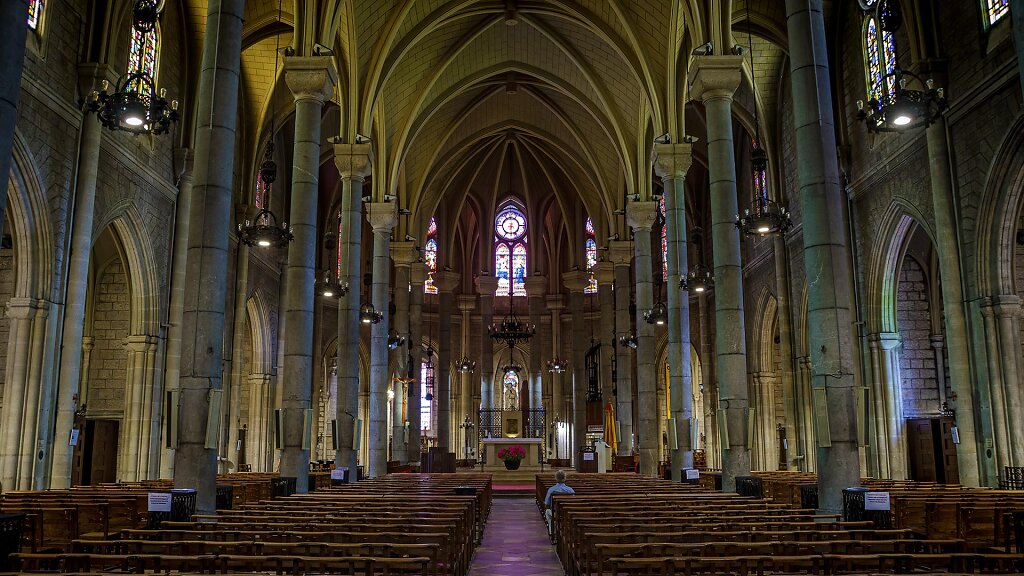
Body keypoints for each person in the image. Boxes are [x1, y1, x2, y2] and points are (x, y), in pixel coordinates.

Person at [543, 469, 574, 539]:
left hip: (555, 512)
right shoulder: (570, 490)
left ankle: (552, 533)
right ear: (565, 478)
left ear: (556, 478)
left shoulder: (551, 490)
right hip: (568, 512)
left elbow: (547, 504)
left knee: (547, 513)